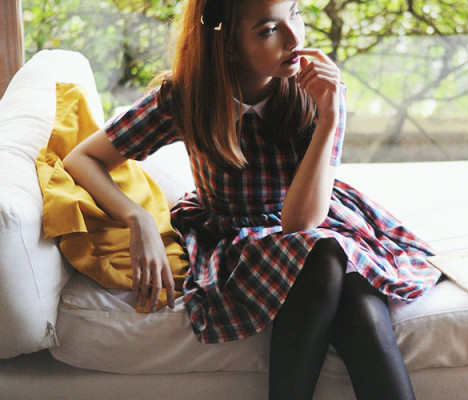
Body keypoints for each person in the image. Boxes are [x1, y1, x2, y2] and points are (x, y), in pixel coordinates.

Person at [63, 0, 441, 398]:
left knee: (360, 310)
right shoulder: (187, 97)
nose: (295, 38)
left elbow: (300, 223)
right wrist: (136, 217)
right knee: (326, 256)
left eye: (296, 13)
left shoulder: (319, 92)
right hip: (237, 238)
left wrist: (329, 117)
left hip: (312, 216)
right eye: (269, 30)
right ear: (228, 46)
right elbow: (82, 158)